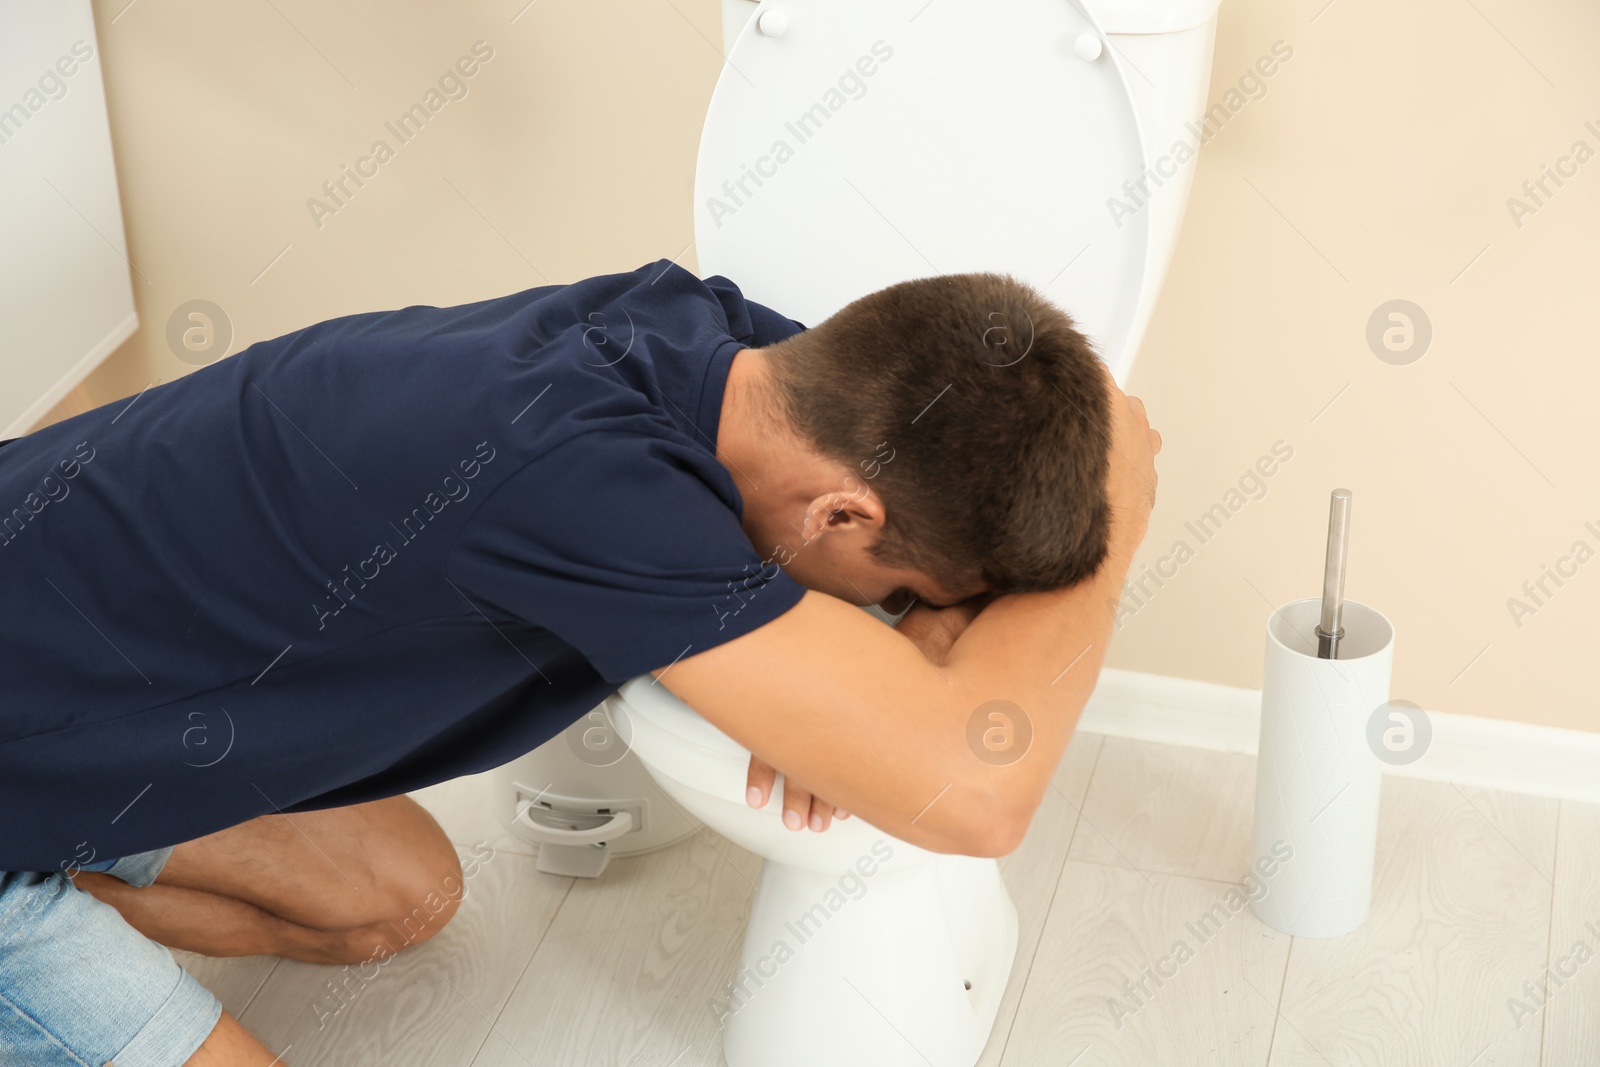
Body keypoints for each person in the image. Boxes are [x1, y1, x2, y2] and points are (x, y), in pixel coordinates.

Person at [0, 258, 1159, 1064]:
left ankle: (62, 867)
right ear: (845, 515)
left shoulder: (721, 344)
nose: (901, 615)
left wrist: (911, 650)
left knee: (401, 900)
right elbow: (981, 795)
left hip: (68, 690)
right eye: (902, 593)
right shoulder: (582, 486)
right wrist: (1122, 509)